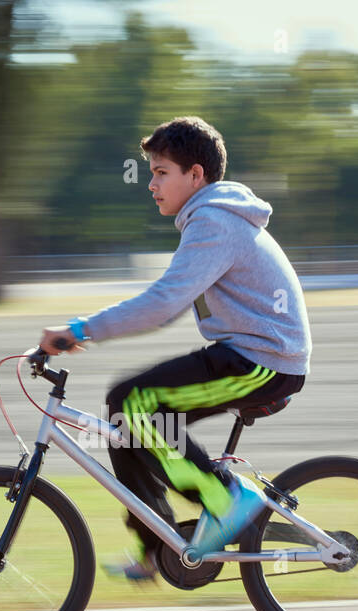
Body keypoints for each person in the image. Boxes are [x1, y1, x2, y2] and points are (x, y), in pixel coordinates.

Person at [38, 116, 311, 582]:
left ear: (196, 175)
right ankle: (157, 544)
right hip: (249, 355)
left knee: (132, 401)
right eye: (151, 172)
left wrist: (81, 330)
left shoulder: (215, 222)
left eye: (161, 172)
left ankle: (224, 499)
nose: (151, 184)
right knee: (123, 421)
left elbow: (163, 305)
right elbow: (170, 303)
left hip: (264, 362)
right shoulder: (211, 219)